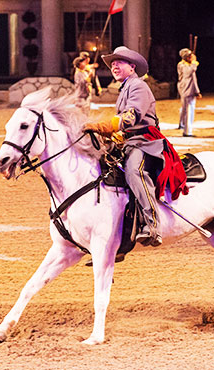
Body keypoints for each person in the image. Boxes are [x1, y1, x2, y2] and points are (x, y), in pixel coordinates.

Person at [84, 46, 189, 248]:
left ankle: (152, 225)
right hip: (130, 141)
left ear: (132, 67)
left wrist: (103, 126)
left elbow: (131, 116)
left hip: (145, 143)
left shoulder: (138, 86)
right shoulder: (125, 88)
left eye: (119, 62)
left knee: (134, 171)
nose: (114, 66)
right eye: (112, 63)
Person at [177, 47, 201, 137]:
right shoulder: (183, 65)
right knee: (188, 111)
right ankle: (187, 131)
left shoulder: (188, 64)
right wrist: (194, 63)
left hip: (190, 90)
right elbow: (189, 72)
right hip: (186, 89)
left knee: (188, 110)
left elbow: (194, 80)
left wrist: (197, 91)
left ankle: (184, 126)